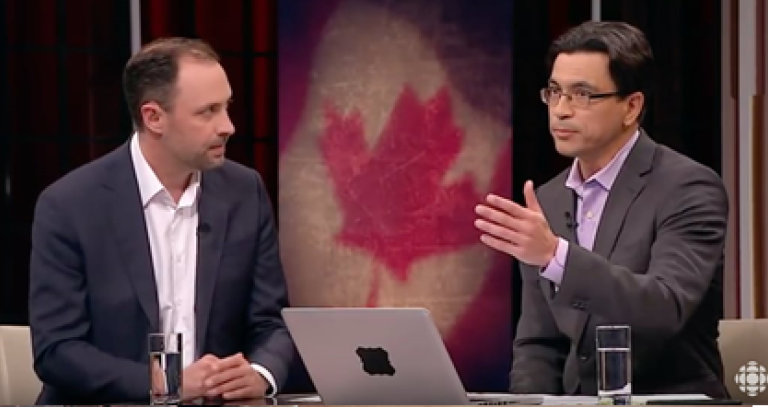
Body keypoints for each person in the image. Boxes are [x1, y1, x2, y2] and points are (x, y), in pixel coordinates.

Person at [28, 37, 295, 404]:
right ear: (154, 117)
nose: (228, 126)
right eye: (208, 111)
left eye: (227, 107)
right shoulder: (70, 206)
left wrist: (261, 373)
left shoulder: (244, 191)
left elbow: (271, 322)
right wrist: (168, 384)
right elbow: (57, 350)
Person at [474, 21, 729, 398]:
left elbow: (665, 306)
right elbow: (539, 345)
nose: (560, 110)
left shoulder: (688, 188)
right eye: (555, 92)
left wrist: (555, 256)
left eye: (582, 95)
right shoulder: (547, 200)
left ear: (631, 106)